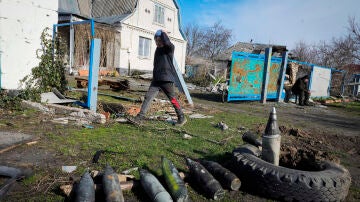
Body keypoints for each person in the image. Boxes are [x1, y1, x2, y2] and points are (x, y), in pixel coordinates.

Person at [131, 30, 187, 126]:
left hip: (167, 79)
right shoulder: (157, 50)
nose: (157, 42)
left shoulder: (169, 48)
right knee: (148, 97)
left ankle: (181, 117)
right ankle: (140, 117)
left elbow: (168, 42)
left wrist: (162, 32)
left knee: (172, 99)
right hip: (156, 80)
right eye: (156, 41)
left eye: (159, 40)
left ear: (163, 40)